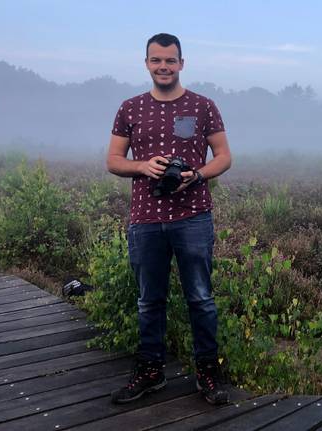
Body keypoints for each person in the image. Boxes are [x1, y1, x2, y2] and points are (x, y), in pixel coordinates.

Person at [106, 33, 232, 405]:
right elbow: (113, 160)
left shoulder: (203, 105)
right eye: (156, 60)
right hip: (145, 219)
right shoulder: (130, 108)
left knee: (201, 299)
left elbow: (224, 155)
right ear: (146, 63)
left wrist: (199, 174)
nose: (163, 66)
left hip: (193, 217)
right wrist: (143, 166)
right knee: (149, 301)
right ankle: (150, 372)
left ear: (182, 63)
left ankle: (207, 373)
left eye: (170, 60)